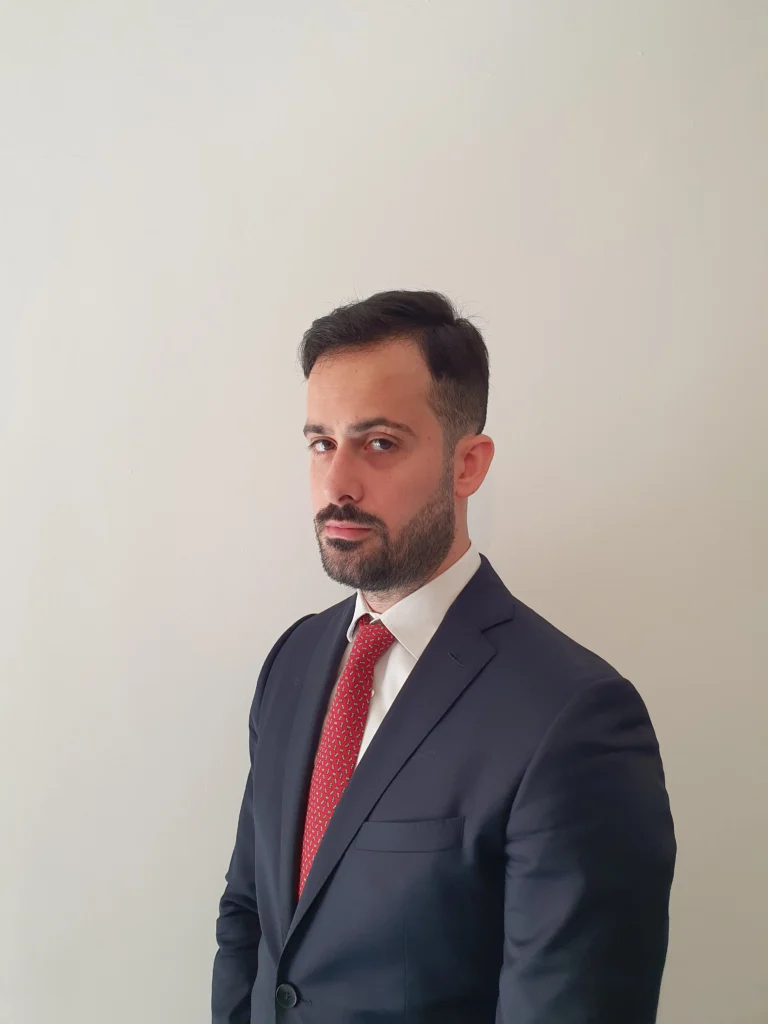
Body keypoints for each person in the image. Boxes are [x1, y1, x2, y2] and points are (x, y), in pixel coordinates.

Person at [212, 290, 676, 1024]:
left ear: (468, 465)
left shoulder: (575, 717)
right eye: (321, 443)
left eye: (379, 443)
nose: (337, 484)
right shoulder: (294, 661)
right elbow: (249, 912)